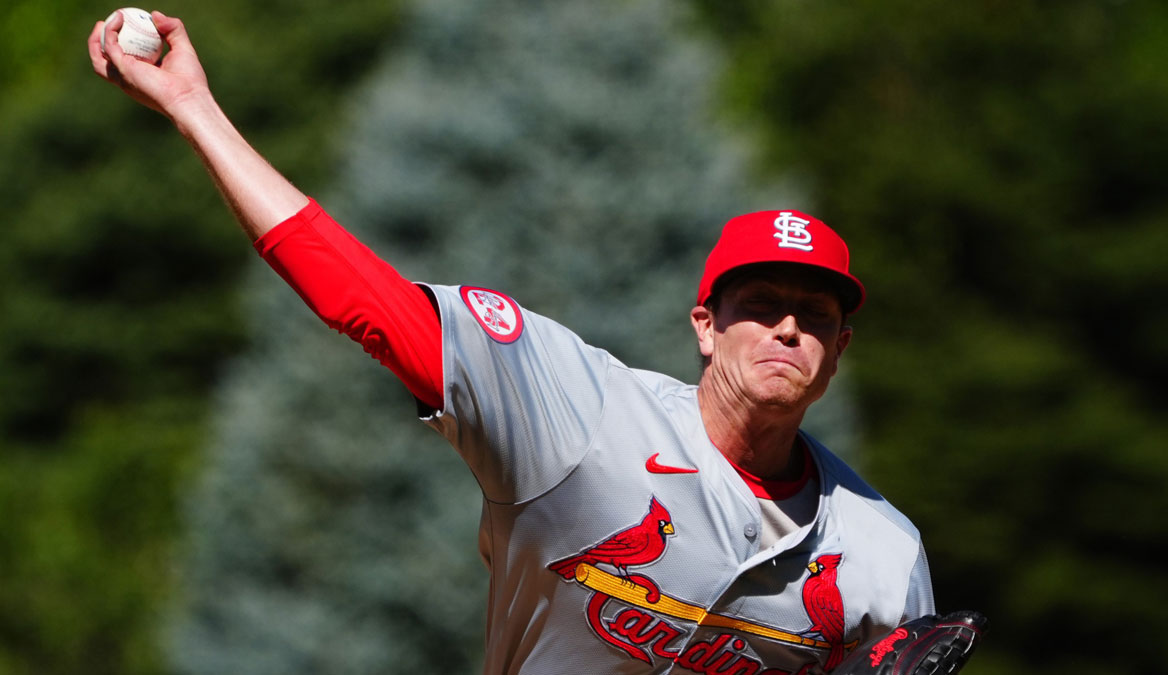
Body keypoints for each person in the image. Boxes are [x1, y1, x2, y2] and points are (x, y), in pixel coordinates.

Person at [89, 11, 936, 675]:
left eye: (815, 313)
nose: (789, 325)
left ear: (839, 346)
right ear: (705, 326)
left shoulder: (880, 555)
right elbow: (363, 299)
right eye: (761, 301)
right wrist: (193, 107)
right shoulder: (581, 416)